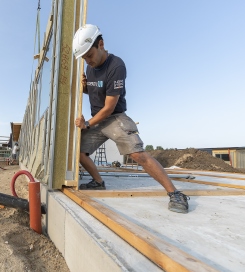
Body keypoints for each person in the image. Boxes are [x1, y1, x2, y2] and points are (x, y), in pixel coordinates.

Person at [72, 24, 190, 214]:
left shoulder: (116, 66)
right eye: (84, 58)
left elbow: (109, 107)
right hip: (97, 119)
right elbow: (95, 91)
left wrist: (87, 124)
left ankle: (175, 193)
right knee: (78, 151)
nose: (87, 61)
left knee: (137, 154)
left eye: (89, 55)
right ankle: (98, 182)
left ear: (100, 44)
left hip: (114, 117)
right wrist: (85, 87)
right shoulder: (91, 68)